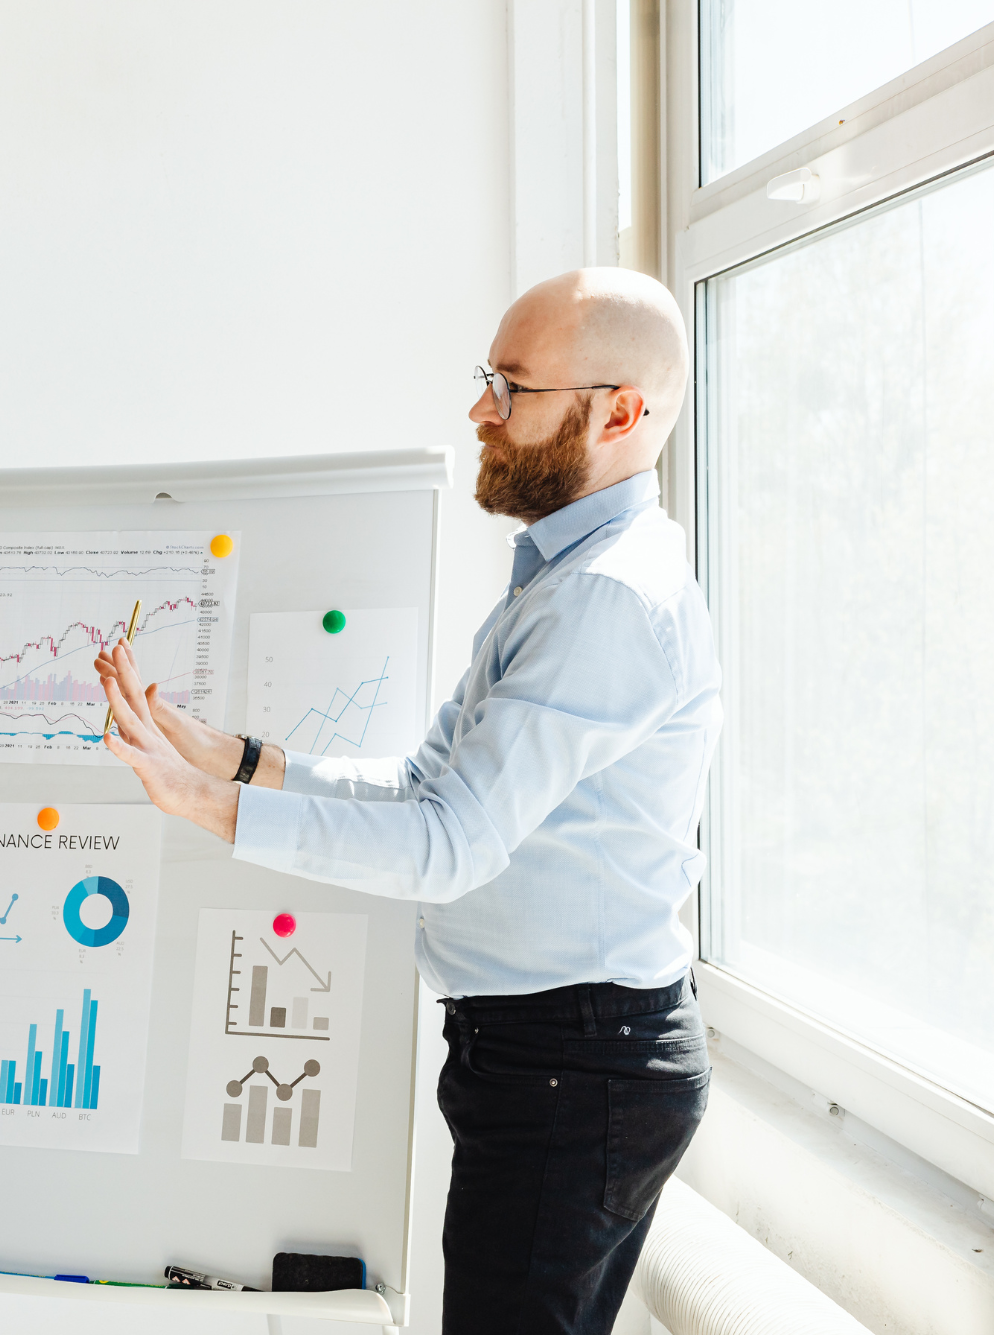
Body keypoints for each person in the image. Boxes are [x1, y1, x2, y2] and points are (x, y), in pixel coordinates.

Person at [95, 267, 719, 1333]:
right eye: (487, 378)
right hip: (552, 1060)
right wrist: (245, 762)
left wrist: (205, 807)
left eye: (511, 386)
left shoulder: (601, 600)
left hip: (573, 1069)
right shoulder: (563, 580)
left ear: (618, 411)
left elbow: (445, 846)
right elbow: (432, 790)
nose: (479, 409)